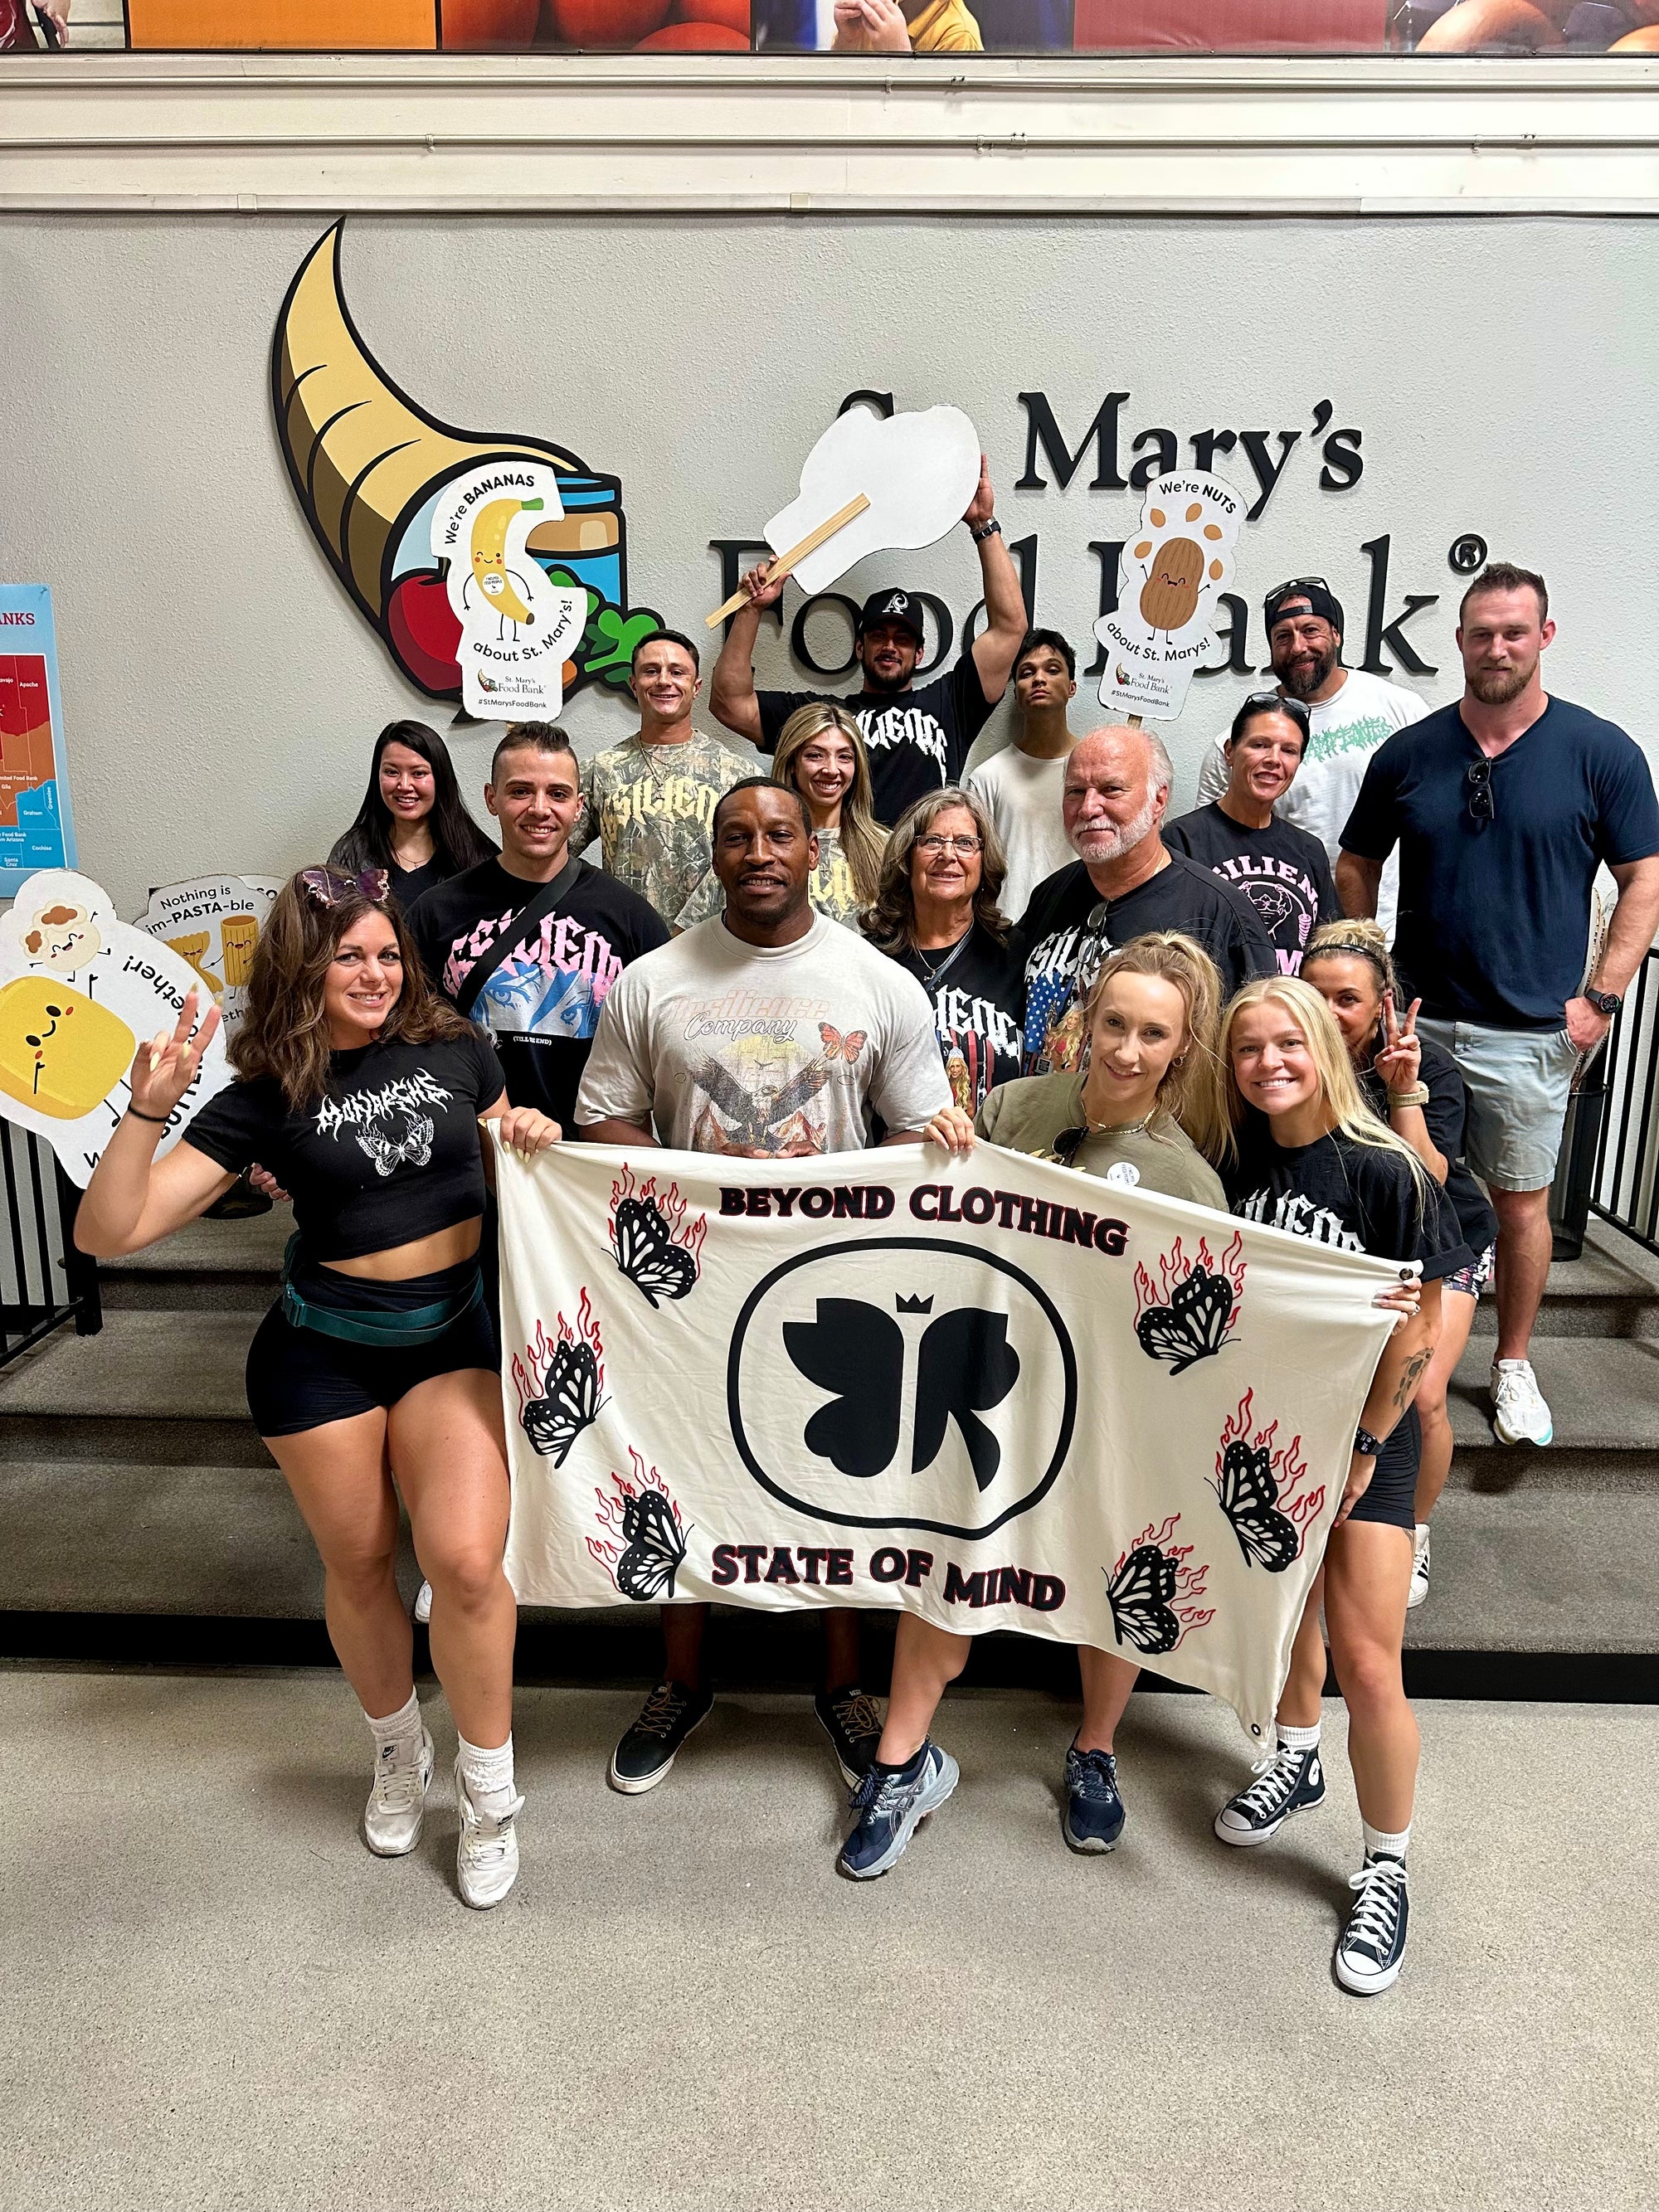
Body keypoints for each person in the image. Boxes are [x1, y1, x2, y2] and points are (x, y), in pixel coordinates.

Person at [72, 869, 560, 1909]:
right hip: (321, 1355)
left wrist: (529, 1138)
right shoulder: (262, 1099)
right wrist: (148, 1108)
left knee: (466, 1565)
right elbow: (110, 1231)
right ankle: (397, 1752)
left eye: (388, 955)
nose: (375, 974)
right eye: (349, 957)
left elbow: (512, 1173)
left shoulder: (459, 1050)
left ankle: (488, 1793)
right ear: (304, 968)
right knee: (360, 1564)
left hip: (448, 1340)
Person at [574, 778, 955, 1795]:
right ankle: (680, 1679)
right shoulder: (651, 982)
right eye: (737, 836)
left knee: (836, 1476)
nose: (758, 853)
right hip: (687, 1280)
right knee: (678, 1465)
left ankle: (841, 1685)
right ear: (714, 854)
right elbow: (601, 1116)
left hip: (835, 1274)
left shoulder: (876, 983)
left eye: (778, 834)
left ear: (809, 848)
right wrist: (696, 1180)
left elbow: (918, 1129)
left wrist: (846, 1177)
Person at [837, 934, 1232, 1880]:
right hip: (982, 1387)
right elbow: (934, 1226)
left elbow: (1201, 1319)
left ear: (1181, 1046)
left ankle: (1095, 1746)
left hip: (1102, 1410)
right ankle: (901, 1761)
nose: (1126, 1050)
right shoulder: (1011, 1108)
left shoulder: (1187, 1178)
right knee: (946, 1565)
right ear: (1084, 1020)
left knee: (1113, 1578)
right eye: (1113, 1023)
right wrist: (934, 1151)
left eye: (1152, 1034)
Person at [1338, 562, 1659, 1450]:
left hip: (1530, 1032)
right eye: (1480, 633)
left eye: (1514, 632)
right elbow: (1356, 863)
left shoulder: (1599, 752)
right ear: (1459, 641)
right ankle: (1385, 1354)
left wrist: (1601, 998)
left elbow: (1643, 879)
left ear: (1543, 636)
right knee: (1401, 1187)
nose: (1496, 648)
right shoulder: (1410, 753)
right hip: (1416, 1029)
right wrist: (1371, 973)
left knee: (1520, 1207)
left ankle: (1511, 1362)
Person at [1213, 976, 1467, 1997]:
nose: (1266, 1063)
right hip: (1267, 1430)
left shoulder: (1383, 1167)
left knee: (1365, 1659)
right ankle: (1293, 1754)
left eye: (1286, 1042)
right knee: (1284, 1619)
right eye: (1246, 1048)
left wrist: (1364, 1445)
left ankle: (1384, 1868)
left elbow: (1420, 1321)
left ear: (1322, 1044)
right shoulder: (1230, 1159)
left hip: (1365, 1435)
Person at [1301, 918, 1499, 1609]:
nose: (1330, 1012)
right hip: (1349, 1240)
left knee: (1422, 1391)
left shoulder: (1426, 1064)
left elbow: (1431, 1176)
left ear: (1381, 1002)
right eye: (1316, 994)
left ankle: (1414, 1526)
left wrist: (1404, 1088)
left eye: (1347, 999)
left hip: (1441, 1236)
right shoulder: (1286, 1053)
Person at [709, 455, 1029, 828]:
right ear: (859, 648)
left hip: (925, 861)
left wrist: (982, 525)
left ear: (920, 653)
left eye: (902, 639)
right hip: (844, 862)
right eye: (879, 636)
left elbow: (1010, 627)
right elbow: (730, 703)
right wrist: (751, 610)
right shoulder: (823, 718)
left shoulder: (951, 704)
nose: (890, 646)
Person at [408, 723, 668, 1134]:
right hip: (476, 1147)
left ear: (579, 807)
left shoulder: (631, 918)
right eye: (520, 791)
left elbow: (663, 1045)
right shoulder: (436, 912)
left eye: (558, 794)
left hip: (590, 1152)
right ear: (492, 799)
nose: (540, 808)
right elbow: (405, 1036)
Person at [1018, 724, 1277, 1077]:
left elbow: (1254, 1053)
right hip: (1043, 1106)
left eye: (1111, 789)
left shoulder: (1219, 915)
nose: (1089, 808)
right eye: (1075, 791)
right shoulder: (1051, 894)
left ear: (1158, 800)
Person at [1195, 580, 1425, 932]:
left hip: (1385, 932)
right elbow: (1208, 850)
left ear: (1336, 635)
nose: (1298, 647)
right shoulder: (1235, 747)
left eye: (1310, 630)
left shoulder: (1402, 711)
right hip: (1284, 934)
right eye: (1283, 636)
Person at [862, 786, 1024, 1118]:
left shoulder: (1017, 953)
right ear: (906, 858)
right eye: (932, 841)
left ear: (984, 861)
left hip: (994, 1146)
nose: (948, 855)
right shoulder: (868, 960)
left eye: (965, 843)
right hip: (897, 1146)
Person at [577, 630, 751, 926]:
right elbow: (554, 856)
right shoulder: (600, 770)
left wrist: (685, 930)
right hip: (626, 937)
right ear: (634, 684)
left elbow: (750, 862)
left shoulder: (737, 773)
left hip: (715, 939)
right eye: (651, 671)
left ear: (696, 687)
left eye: (677, 672)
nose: (663, 681)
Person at [1166, 693, 1340, 975]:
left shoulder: (1309, 849)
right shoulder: (1182, 839)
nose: (1274, 759)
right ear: (1229, 752)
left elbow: (1330, 948)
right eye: (1260, 745)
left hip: (1293, 1002)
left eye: (1289, 751)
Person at [674, 702, 887, 931]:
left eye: (844, 757)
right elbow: (685, 936)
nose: (832, 769)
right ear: (792, 763)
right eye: (815, 756)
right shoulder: (753, 849)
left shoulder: (885, 848)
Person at [965, 628, 1080, 920]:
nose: (1039, 679)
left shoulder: (1094, 771)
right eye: (1027, 673)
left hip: (1079, 926)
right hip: (1008, 927)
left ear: (1072, 687)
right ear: (1016, 693)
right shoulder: (987, 778)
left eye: (1052, 670)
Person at [329, 719, 496, 912]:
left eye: (418, 773)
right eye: (392, 772)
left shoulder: (479, 856)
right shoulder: (350, 853)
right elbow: (332, 924)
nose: (404, 785)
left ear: (441, 778)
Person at [830, 0, 984, 47]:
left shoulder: (960, 34)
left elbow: (930, 113)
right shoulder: (878, 8)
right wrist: (846, 42)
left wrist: (900, 57)